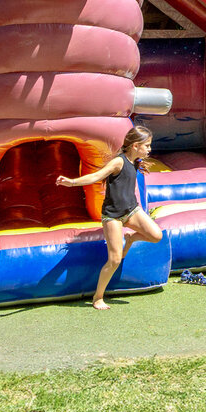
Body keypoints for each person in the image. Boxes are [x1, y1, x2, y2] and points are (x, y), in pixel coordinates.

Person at [55, 125, 164, 310]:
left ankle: (129, 239)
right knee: (114, 260)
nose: (150, 149)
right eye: (147, 145)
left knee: (156, 236)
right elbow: (96, 176)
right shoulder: (118, 162)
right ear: (135, 145)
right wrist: (72, 182)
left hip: (131, 210)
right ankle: (98, 297)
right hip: (112, 216)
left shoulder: (135, 161)